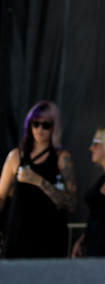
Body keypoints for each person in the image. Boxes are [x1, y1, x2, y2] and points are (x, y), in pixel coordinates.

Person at [0, 100, 76, 258]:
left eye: (46, 125)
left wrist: (39, 181)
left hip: (48, 234)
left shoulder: (61, 158)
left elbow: (71, 202)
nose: (40, 129)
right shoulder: (16, 156)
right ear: (29, 125)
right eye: (35, 124)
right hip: (18, 232)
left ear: (54, 127)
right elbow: (1, 196)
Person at [71, 126, 105, 258]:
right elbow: (99, 215)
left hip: (102, 247)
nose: (91, 148)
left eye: (96, 143)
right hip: (95, 245)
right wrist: (81, 240)